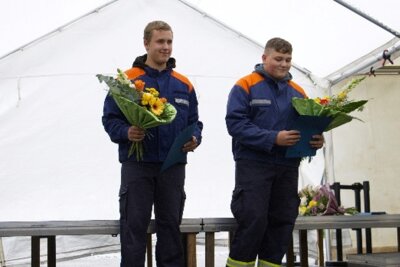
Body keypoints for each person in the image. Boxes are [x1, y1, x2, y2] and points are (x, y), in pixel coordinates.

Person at [102, 20, 203, 267]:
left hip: (173, 167)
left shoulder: (184, 84)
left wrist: (195, 138)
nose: (166, 47)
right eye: (160, 41)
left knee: (170, 230)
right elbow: (109, 118)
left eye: (169, 42)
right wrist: (127, 132)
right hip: (137, 165)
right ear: (146, 43)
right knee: (134, 229)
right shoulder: (127, 81)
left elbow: (195, 122)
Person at [225, 37, 324, 267]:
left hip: (288, 167)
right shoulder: (245, 85)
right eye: (278, 59)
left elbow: (307, 126)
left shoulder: (298, 92)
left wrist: (316, 140)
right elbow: (235, 125)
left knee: (282, 222)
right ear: (264, 58)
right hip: (253, 166)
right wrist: (273, 138)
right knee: (253, 220)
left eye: (288, 60)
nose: (284, 64)